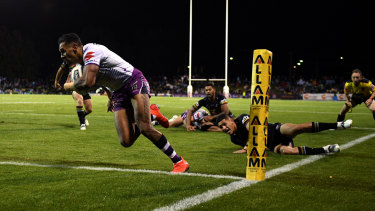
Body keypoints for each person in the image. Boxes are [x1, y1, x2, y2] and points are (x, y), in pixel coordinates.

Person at [59, 33, 189, 173]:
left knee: (145, 128)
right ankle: (151, 114)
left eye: (63, 51)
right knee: (126, 140)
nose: (62, 56)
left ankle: (179, 162)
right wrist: (110, 97)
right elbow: (101, 79)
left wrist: (70, 86)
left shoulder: (90, 51)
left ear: (74, 47)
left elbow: (89, 82)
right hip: (118, 92)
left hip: (133, 81)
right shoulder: (84, 63)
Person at [216, 113, 353, 154]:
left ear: (231, 120)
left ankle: (339, 125)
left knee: (297, 128)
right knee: (288, 151)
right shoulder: (233, 139)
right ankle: (326, 149)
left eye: (224, 124)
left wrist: (246, 147)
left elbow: (253, 130)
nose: (223, 128)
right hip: (272, 144)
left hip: (274, 130)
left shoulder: (241, 118)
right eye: (220, 128)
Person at [54, 62, 92, 130]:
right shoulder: (70, 60)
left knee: (89, 109)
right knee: (79, 100)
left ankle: (82, 116)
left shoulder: (84, 60)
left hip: (84, 87)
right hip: (74, 86)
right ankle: (82, 124)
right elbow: (62, 70)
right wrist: (57, 81)